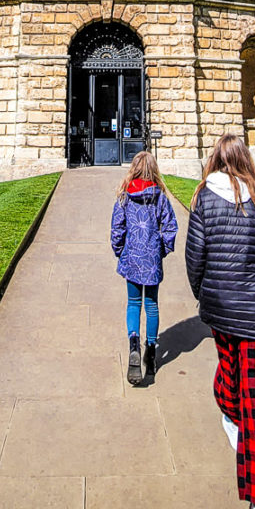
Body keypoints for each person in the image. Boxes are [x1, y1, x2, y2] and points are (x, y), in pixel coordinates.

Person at [185, 134, 255, 509]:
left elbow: (195, 260)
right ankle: (230, 412)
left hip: (225, 309)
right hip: (254, 312)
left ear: (215, 159)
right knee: (244, 382)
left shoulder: (203, 199)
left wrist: (205, 296)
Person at [111, 150, 178, 385]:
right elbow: (170, 228)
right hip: (151, 259)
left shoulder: (124, 194)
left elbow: (116, 228)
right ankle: (151, 349)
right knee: (151, 305)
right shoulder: (159, 195)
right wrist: (161, 251)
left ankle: (133, 345)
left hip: (132, 257)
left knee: (133, 303)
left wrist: (120, 251)